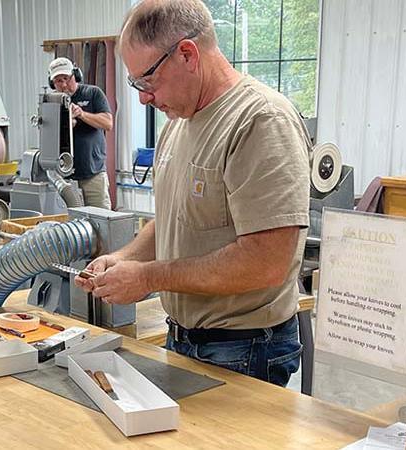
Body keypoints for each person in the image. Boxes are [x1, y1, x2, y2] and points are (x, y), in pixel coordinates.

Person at [76, 0, 313, 387]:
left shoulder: (260, 121)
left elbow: (267, 262)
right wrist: (122, 260)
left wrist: (149, 277)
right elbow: (174, 221)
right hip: (185, 339)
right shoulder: (179, 122)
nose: (143, 98)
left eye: (147, 81)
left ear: (187, 54)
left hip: (244, 349)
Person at [48, 57, 114, 209]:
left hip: (93, 174)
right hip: (64, 177)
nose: (64, 85)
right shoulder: (50, 101)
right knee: (68, 226)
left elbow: (108, 123)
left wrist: (82, 114)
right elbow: (47, 134)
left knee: (101, 221)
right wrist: (66, 125)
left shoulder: (92, 93)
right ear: (52, 83)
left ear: (75, 75)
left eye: (66, 78)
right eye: (58, 81)